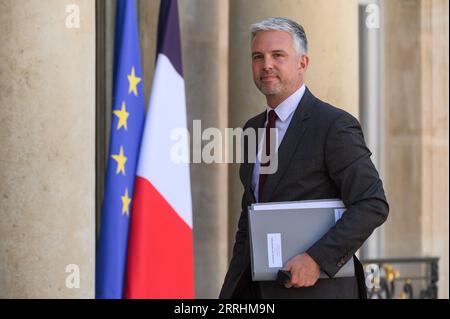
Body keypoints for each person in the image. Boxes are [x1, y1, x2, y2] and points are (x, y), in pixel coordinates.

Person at [219, 17, 389, 299]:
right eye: (258, 56)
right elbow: (250, 216)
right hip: (258, 291)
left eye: (278, 55)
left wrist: (316, 259)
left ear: (302, 63)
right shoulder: (252, 129)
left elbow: (372, 203)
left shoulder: (333, 125)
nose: (266, 65)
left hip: (319, 290)